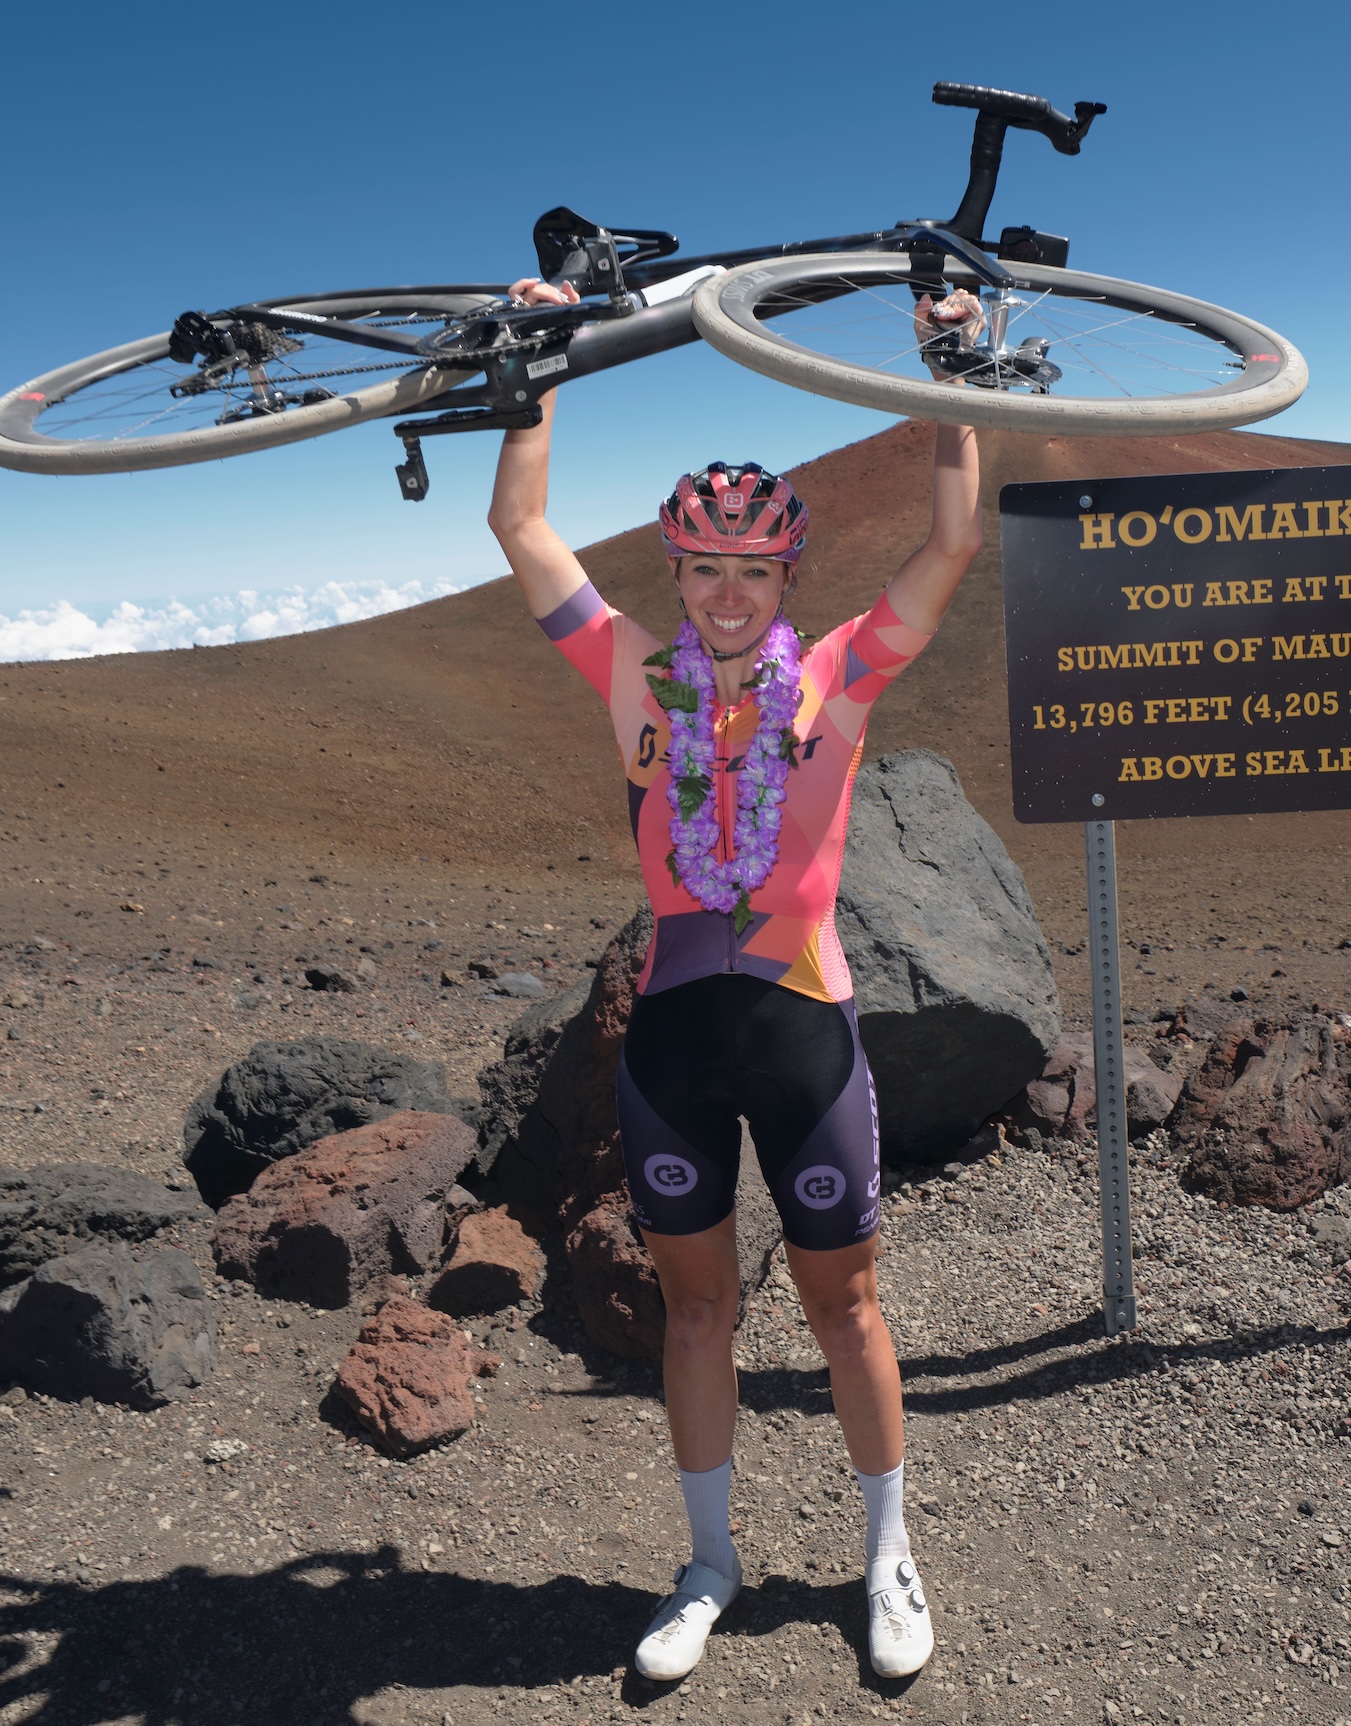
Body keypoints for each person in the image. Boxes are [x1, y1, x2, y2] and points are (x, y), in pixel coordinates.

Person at [486, 274, 986, 1684]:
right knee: (696, 1309)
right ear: (674, 572)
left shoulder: (838, 677)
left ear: (786, 581)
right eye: (700, 565)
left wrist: (952, 368)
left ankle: (889, 1556)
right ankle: (709, 1564)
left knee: (849, 1308)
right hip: (672, 1050)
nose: (721, 591)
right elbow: (519, 524)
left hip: (804, 1030)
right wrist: (544, 361)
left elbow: (953, 539)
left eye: (750, 569)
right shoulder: (629, 673)